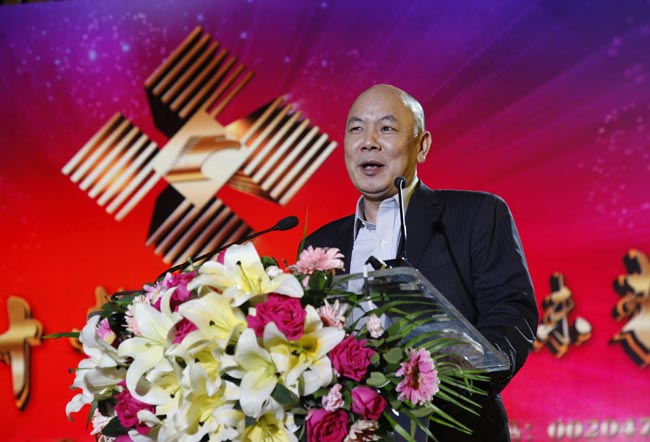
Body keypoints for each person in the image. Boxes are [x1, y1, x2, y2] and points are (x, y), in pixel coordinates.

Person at [304, 84, 538, 441]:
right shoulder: (319, 245)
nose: (368, 142)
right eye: (356, 129)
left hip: (452, 429)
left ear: (422, 145)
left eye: (386, 128)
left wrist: (458, 382)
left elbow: (510, 313)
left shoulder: (475, 215)